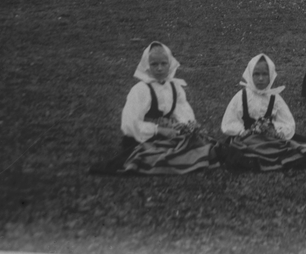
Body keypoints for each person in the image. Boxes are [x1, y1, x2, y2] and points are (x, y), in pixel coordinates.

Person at [89, 41, 218, 175]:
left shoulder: (174, 87)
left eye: (163, 63)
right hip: (143, 138)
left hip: (168, 134)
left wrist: (185, 126)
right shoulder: (140, 90)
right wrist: (158, 130)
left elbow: (183, 113)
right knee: (165, 154)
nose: (160, 68)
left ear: (170, 64)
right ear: (146, 66)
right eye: (154, 64)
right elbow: (130, 125)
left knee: (199, 143)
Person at [218, 53, 306, 171]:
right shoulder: (241, 96)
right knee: (241, 149)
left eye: (265, 74)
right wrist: (241, 131)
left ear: (271, 75)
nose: (261, 79)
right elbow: (231, 119)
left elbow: (286, 121)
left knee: (284, 146)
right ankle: (260, 160)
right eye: (256, 74)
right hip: (247, 138)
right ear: (249, 74)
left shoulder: (274, 98)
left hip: (269, 138)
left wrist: (277, 131)